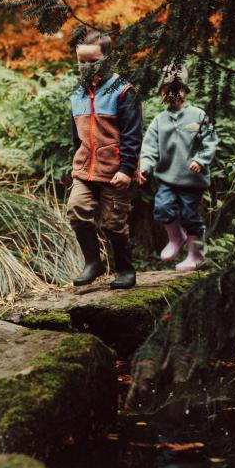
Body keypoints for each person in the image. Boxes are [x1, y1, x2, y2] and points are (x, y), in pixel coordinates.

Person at [67, 30, 142, 290]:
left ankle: (124, 269)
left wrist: (127, 169)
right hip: (85, 168)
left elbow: (132, 135)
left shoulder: (123, 92)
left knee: (113, 223)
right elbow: (77, 135)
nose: (86, 67)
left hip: (115, 170)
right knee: (76, 209)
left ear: (108, 59)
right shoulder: (77, 94)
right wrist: (76, 161)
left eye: (93, 61)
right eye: (82, 61)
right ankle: (92, 263)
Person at [137, 65, 218, 272]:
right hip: (167, 178)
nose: (172, 94)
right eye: (167, 89)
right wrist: (145, 167)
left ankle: (196, 255)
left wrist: (200, 160)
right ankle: (176, 237)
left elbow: (210, 141)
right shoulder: (159, 120)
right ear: (160, 93)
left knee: (191, 216)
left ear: (186, 90)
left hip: (192, 179)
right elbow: (149, 147)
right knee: (162, 208)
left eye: (177, 88)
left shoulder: (198, 115)